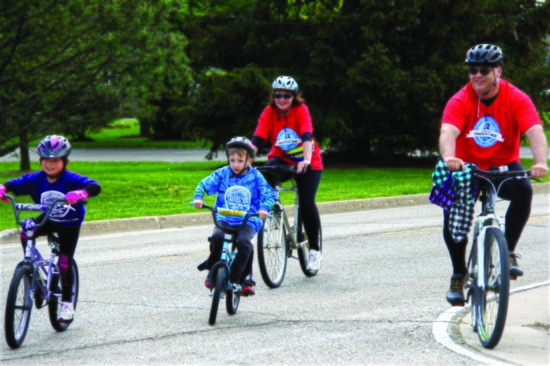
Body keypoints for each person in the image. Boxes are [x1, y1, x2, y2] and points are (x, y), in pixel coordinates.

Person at [438, 44, 548, 306]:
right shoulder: (461, 99)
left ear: (497, 71)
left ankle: (508, 250)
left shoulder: (516, 97)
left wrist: (540, 161)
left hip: (503, 166)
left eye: (484, 70)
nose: (477, 75)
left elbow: (534, 131)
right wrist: (449, 158)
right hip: (467, 168)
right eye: (472, 70)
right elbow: (448, 132)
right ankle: (458, 274)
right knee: (453, 217)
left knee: (524, 190)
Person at [0, 135, 102, 321]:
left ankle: (66, 303)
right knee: (27, 229)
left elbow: (94, 186)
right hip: (49, 217)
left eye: (55, 160)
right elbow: (14, 183)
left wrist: (81, 192)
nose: (50, 163)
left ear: (65, 161)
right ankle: (31, 271)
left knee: (64, 261)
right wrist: (3, 188)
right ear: (40, 160)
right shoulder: (36, 179)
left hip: (70, 223)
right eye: (46, 159)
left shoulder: (70, 179)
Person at [251, 76, 324, 272]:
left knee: (307, 202)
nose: (282, 99)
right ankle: (274, 212)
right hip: (282, 158)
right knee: (266, 172)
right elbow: (258, 138)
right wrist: (245, 158)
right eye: (278, 95)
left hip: (308, 161)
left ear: (294, 97)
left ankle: (315, 251)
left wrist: (306, 160)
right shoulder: (270, 112)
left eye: (286, 96)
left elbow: (306, 135)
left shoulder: (301, 110)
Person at [193, 137, 277, 296]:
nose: (235, 164)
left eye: (240, 160)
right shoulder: (223, 174)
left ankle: (237, 279)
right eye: (232, 160)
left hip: (249, 219)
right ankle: (213, 270)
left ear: (249, 161)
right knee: (217, 238)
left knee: (244, 243)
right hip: (225, 217)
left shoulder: (256, 176)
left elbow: (270, 194)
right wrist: (199, 197)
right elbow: (204, 184)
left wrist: (264, 207)